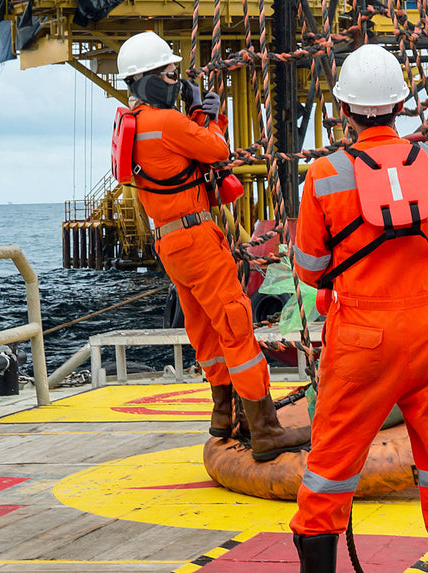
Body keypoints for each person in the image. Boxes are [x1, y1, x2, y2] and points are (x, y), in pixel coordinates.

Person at [290, 43, 428, 572]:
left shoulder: (325, 176)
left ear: (344, 110)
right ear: (402, 105)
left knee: (328, 474)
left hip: (361, 343)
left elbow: (310, 268)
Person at [115, 31, 310, 460]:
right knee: (236, 324)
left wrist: (195, 115)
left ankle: (224, 416)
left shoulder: (138, 125)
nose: (175, 81)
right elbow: (216, 150)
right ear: (150, 79)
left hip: (169, 241)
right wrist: (207, 116)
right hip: (197, 237)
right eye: (170, 74)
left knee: (203, 329)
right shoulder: (167, 123)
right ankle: (265, 430)